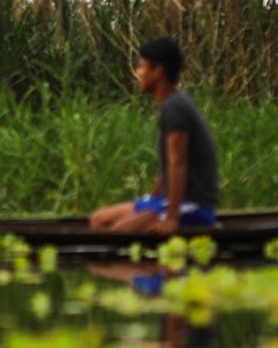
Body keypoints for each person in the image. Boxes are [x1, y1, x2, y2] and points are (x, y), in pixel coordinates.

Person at [89, 37, 219, 235]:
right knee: (99, 220)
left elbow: (178, 163)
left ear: (158, 71)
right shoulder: (170, 106)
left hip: (193, 205)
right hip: (166, 201)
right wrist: (150, 199)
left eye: (142, 66)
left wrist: (171, 219)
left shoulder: (175, 107)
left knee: (119, 231)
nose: (138, 73)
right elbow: (168, 166)